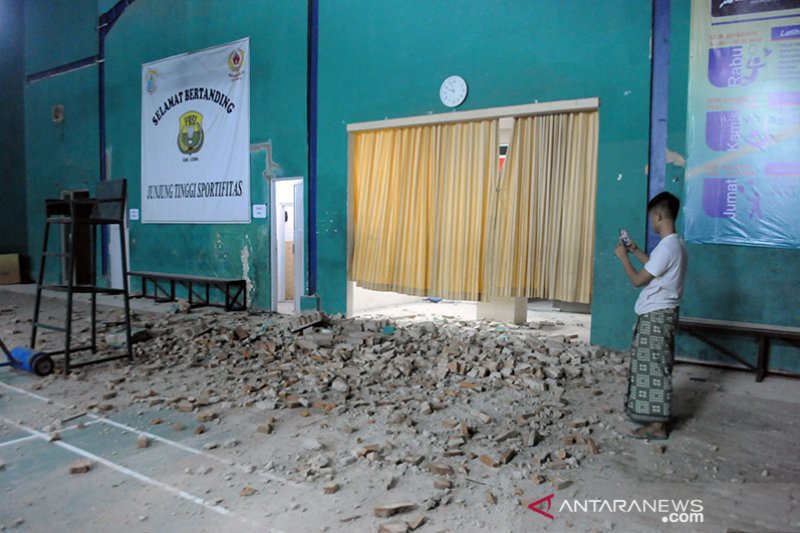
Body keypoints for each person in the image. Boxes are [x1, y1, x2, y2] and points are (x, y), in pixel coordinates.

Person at [614, 191, 688, 440]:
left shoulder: (667, 248)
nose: (652, 222)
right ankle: (655, 420)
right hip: (661, 314)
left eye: (652, 218)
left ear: (658, 216)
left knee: (654, 369)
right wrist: (635, 251)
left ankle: (657, 426)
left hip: (656, 316)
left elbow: (637, 280)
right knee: (652, 367)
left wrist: (623, 258)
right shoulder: (675, 244)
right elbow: (654, 270)